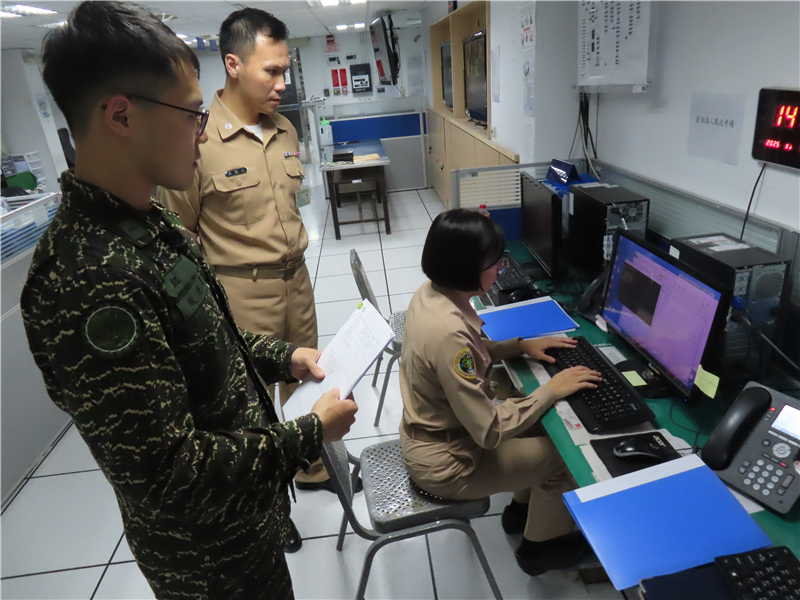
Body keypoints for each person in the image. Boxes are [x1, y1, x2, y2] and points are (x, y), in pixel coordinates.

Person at [21, 3, 357, 599]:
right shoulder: (89, 280)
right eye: (191, 115)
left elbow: (206, 337)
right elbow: (173, 475)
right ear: (121, 115)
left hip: (244, 515)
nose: (203, 133)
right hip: (205, 559)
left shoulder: (149, 224)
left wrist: (282, 358)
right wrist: (309, 434)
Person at [156, 8, 333, 502]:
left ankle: (312, 468)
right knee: (248, 399)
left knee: (307, 379)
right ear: (233, 64)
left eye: (286, 70)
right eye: (271, 71)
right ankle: (264, 497)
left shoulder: (285, 130)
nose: (283, 82)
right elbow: (180, 235)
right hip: (240, 291)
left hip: (296, 280)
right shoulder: (199, 140)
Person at [399, 209, 603, 576]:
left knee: (540, 424)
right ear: (467, 267)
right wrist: (551, 390)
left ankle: (520, 512)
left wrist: (520, 346)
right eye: (496, 261)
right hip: (449, 462)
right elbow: (489, 430)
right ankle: (541, 550)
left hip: (438, 435)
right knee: (569, 457)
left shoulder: (431, 293)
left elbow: (470, 352)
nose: (501, 269)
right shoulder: (448, 333)